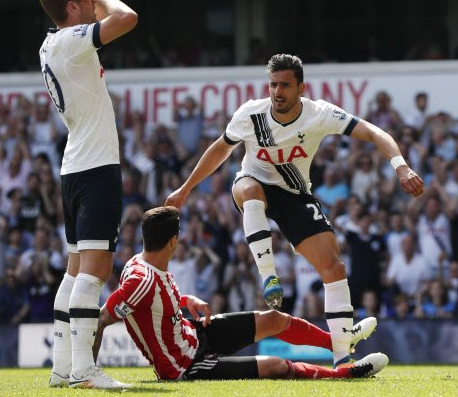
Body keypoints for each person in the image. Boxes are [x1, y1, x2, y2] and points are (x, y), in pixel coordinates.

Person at [166, 54, 424, 367]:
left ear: (301, 88)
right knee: (249, 190)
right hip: (253, 183)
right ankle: (269, 277)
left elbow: (373, 132)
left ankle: (343, 357)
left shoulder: (319, 114)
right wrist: (186, 188)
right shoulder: (251, 113)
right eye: (273, 84)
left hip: (295, 194)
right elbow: (221, 149)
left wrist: (401, 167)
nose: (277, 91)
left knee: (334, 268)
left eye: (285, 85)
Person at [94, 206, 386, 382]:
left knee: (274, 319)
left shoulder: (141, 263)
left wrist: (187, 301)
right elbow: (102, 319)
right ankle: (347, 374)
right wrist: (88, 369)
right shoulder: (140, 280)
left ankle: (342, 343)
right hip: (186, 366)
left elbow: (151, 303)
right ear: (174, 241)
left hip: (195, 333)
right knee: (276, 366)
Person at [37, 0, 138, 389]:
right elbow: (127, 17)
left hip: (75, 166)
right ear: (72, 6)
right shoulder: (70, 41)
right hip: (95, 168)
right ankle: (84, 370)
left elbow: (103, 19)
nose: (92, 3)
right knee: (94, 271)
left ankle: (62, 368)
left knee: (75, 271)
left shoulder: (50, 45)